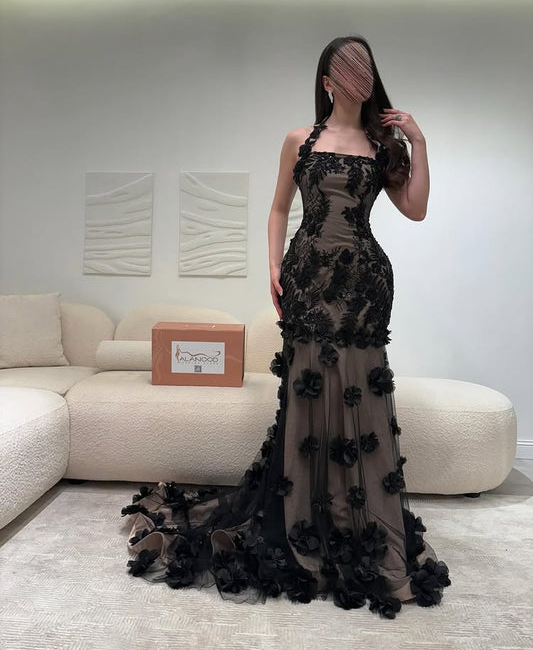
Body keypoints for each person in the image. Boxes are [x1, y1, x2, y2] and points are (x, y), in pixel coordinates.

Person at [120, 35, 451, 619]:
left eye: (366, 67)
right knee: (307, 394)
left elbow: (416, 208)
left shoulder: (385, 144)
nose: (359, 77)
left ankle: (356, 520)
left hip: (365, 285)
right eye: (347, 68)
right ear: (327, 80)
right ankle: (303, 520)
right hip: (307, 280)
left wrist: (419, 143)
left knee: (362, 396)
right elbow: (278, 207)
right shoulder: (300, 139)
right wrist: (273, 265)